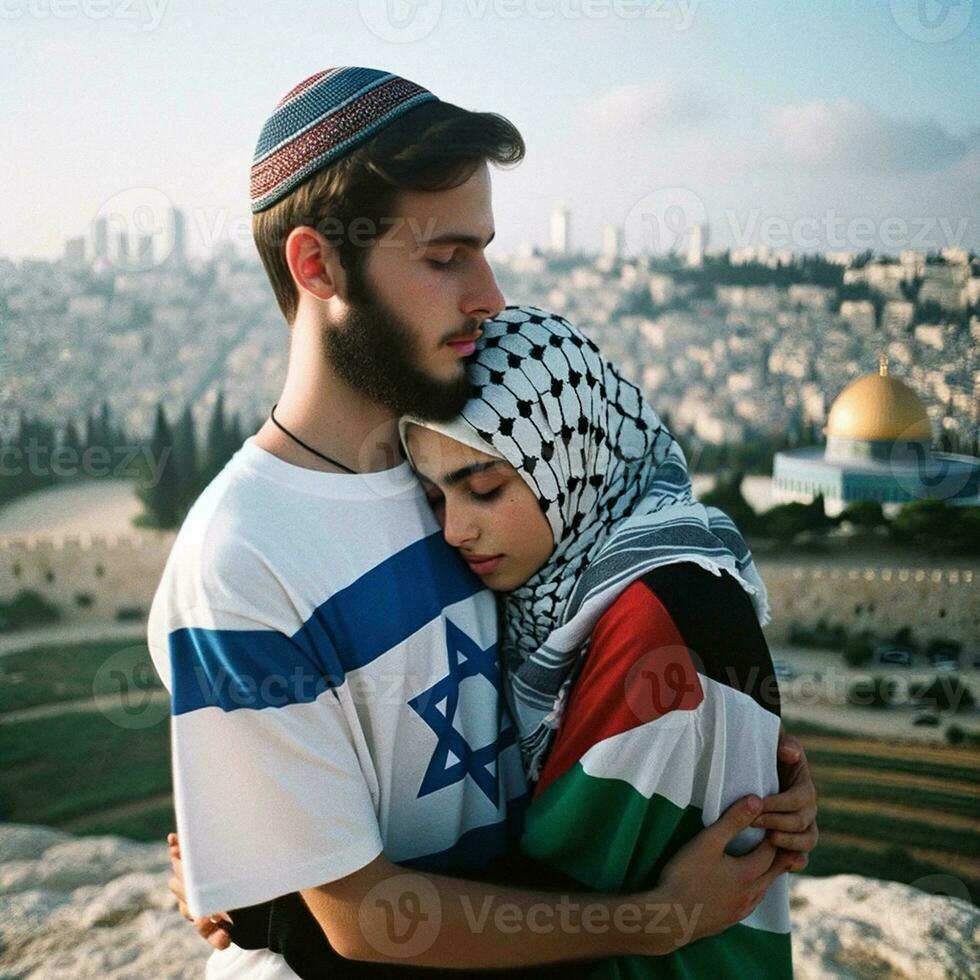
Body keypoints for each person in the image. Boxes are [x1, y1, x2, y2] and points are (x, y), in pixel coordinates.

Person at [154, 67, 817, 978]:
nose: (490, 293)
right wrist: (652, 920)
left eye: (485, 248)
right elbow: (362, 918)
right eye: (445, 256)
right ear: (319, 265)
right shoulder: (244, 554)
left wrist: (744, 771)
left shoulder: (460, 458)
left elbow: (605, 632)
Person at [399, 305, 813, 976]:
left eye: (482, 488)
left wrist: (291, 895)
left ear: (573, 459)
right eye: (434, 497)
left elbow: (543, 907)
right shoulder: (550, 592)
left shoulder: (663, 615)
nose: (454, 530)